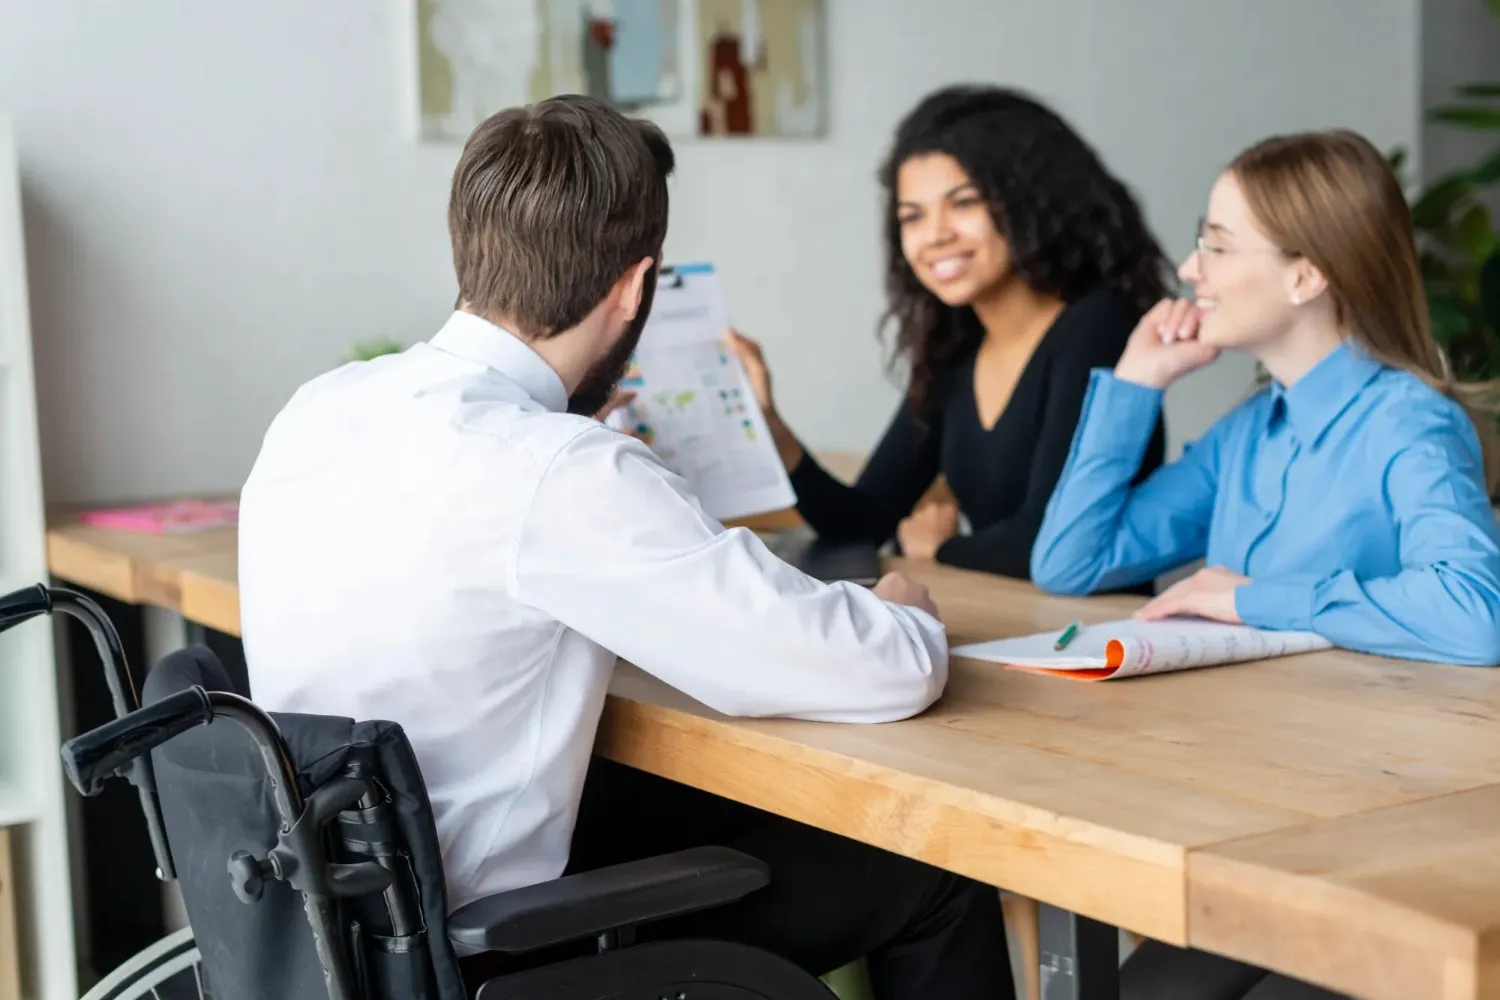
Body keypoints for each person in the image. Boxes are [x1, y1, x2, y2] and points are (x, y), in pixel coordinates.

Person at [237, 95, 1013, 999]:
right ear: (636, 288)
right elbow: (866, 672)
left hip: (343, 925)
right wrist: (903, 615)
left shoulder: (320, 410)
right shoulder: (559, 471)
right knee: (934, 861)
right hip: (492, 950)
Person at [1031, 128, 1500, 998]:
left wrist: (1258, 599)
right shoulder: (1253, 431)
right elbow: (1072, 561)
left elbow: (1476, 612)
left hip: (1385, 851)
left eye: (1215, 243)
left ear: (1306, 273)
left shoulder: (1407, 423)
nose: (1188, 265)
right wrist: (1136, 382)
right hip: (1256, 826)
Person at [728, 84, 1170, 580]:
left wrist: (944, 549)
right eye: (912, 216)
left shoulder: (1098, 327)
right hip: (1009, 624)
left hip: (1091, 638)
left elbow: (1047, 537)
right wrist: (773, 431)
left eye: (963, 203)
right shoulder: (955, 353)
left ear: (1029, 203)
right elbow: (862, 521)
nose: (935, 235)